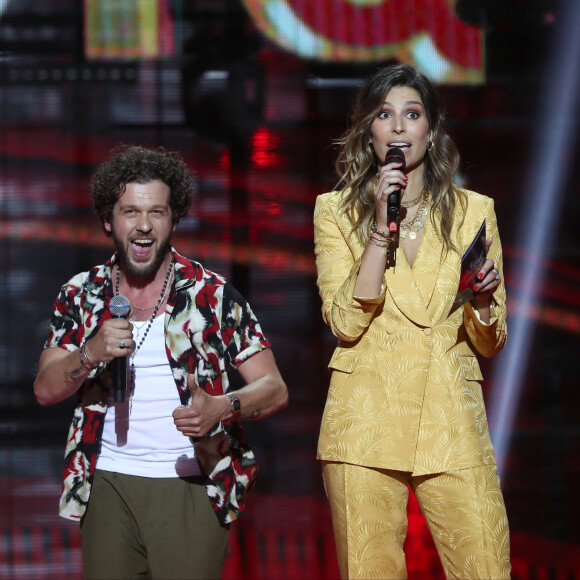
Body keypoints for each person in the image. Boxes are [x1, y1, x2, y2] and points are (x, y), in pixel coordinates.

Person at [34, 144, 288, 580]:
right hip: (107, 482)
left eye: (157, 212)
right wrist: (90, 352)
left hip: (190, 482)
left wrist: (222, 406)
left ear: (174, 219)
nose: (144, 225)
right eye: (130, 211)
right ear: (107, 220)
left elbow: (274, 389)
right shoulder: (82, 294)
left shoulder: (212, 295)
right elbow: (45, 389)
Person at [313, 63, 510, 579]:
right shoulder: (335, 212)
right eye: (385, 114)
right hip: (364, 423)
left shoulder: (474, 211)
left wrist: (485, 300)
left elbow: (491, 340)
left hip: (452, 421)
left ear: (431, 129)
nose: (399, 126)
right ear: (369, 132)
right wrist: (380, 229)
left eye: (412, 113)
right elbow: (344, 323)